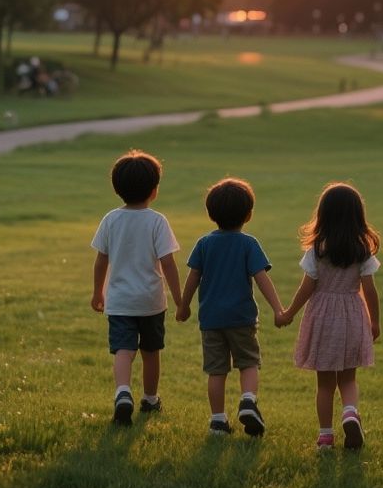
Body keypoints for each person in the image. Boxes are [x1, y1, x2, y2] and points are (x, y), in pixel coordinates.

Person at [276, 182, 381, 450]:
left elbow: (307, 286)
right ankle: (349, 412)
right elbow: (369, 289)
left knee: (324, 383)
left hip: (323, 317)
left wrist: (288, 313)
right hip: (352, 316)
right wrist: (374, 321)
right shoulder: (362, 251)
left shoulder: (317, 250)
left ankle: (325, 436)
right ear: (358, 216)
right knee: (348, 378)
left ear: (323, 215)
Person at [176, 177, 283, 437]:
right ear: (248, 214)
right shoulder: (248, 244)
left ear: (211, 214)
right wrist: (278, 309)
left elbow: (193, 278)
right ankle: (248, 400)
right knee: (248, 363)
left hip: (211, 319)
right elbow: (261, 278)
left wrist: (183, 305)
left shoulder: (204, 244)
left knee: (216, 370)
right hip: (242, 318)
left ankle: (218, 421)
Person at [91, 150, 182, 425]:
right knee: (151, 351)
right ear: (154, 191)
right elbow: (168, 264)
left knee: (123, 349)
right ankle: (150, 399)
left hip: (119, 300)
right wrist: (180, 299)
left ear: (116, 188)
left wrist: (98, 292)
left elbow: (101, 260)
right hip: (151, 301)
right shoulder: (157, 221)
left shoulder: (110, 219)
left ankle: (122, 392)